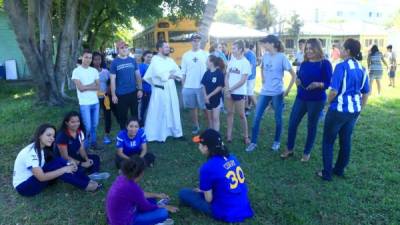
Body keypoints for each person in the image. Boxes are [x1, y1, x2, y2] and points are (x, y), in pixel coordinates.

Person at [317, 38, 370, 181]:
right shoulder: (362, 68)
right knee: (345, 141)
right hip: (353, 111)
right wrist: (360, 110)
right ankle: (339, 170)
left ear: (347, 51)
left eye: (342, 47)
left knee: (328, 141)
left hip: (338, 111)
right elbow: (366, 92)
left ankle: (327, 173)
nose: (339, 49)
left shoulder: (341, 67)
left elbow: (333, 92)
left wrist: (326, 104)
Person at [179, 129, 253, 223]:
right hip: (243, 205)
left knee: (183, 193)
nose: (198, 146)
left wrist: (203, 192)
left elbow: (208, 199)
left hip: (225, 211)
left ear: (206, 147)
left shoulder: (207, 168)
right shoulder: (232, 157)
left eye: (199, 144)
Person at [280, 39, 333, 162]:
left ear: (318, 49)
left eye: (311, 48)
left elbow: (328, 82)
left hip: (316, 100)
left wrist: (318, 84)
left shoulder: (325, 63)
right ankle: (289, 148)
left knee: (311, 126)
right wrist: (298, 81)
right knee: (292, 123)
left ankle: (307, 152)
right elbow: (299, 75)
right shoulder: (304, 63)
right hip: (301, 97)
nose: (308, 51)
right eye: (307, 49)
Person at [13, 124, 100, 197]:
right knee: (57, 165)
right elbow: (41, 177)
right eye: (48, 135)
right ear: (39, 135)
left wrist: (69, 163)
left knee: (58, 161)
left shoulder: (41, 149)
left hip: (32, 181)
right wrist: (65, 169)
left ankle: (87, 180)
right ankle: (86, 185)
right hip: (25, 187)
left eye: (53, 136)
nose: (52, 138)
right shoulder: (31, 152)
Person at [246, 35, 296, 152]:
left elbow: (293, 75)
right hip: (264, 92)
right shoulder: (265, 56)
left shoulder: (282, 57)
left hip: (277, 93)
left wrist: (287, 90)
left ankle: (276, 141)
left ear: (272, 44)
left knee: (278, 118)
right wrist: (263, 78)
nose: (263, 45)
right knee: (257, 117)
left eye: (265, 43)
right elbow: (262, 68)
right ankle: (253, 142)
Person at [106, 156, 179, 225]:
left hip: (120, 214)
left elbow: (140, 194)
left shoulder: (122, 178)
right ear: (141, 173)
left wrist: (157, 195)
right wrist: (165, 207)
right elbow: (146, 207)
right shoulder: (131, 187)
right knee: (163, 213)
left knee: (151, 198)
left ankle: (151, 213)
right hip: (125, 221)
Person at [143, 40, 184, 142]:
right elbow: (160, 74)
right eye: (166, 47)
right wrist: (170, 74)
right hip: (160, 91)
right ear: (160, 49)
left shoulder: (170, 60)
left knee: (173, 110)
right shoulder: (155, 60)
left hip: (171, 89)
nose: (168, 49)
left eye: (168, 47)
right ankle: (158, 135)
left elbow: (178, 71)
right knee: (159, 113)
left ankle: (176, 133)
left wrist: (174, 75)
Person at [55, 111, 110, 180]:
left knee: (95, 158)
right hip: (65, 161)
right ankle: (83, 173)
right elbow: (65, 157)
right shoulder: (62, 136)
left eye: (78, 121)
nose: (76, 124)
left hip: (74, 156)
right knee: (76, 168)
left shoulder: (80, 132)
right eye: (72, 122)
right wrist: (82, 163)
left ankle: (94, 174)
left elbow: (81, 149)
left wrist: (87, 159)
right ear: (66, 123)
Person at [110, 40, 143, 130]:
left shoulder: (132, 61)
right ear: (118, 50)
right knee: (122, 118)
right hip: (121, 95)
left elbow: (138, 75)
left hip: (133, 93)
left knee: (135, 116)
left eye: (125, 47)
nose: (124, 49)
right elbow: (112, 80)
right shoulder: (114, 62)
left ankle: (136, 135)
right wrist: (113, 95)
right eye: (122, 48)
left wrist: (140, 89)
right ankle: (124, 136)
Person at [72, 49, 100, 150]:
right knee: (87, 126)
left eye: (90, 58)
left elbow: (98, 87)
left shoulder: (94, 71)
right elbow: (80, 88)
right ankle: (85, 146)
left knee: (95, 125)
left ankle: (93, 142)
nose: (88, 60)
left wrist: (86, 86)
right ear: (82, 57)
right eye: (86, 57)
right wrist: (91, 85)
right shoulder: (76, 71)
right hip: (84, 104)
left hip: (95, 102)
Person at [181, 33, 209, 134]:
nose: (196, 42)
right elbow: (183, 73)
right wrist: (183, 87)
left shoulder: (206, 54)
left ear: (200, 42)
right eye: (194, 40)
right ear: (191, 42)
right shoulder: (186, 55)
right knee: (192, 108)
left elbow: (210, 70)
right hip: (189, 86)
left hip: (202, 87)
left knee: (205, 108)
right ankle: (196, 126)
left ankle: (209, 127)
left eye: (198, 40)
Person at [225, 40, 251, 144]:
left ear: (240, 49)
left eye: (234, 48)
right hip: (229, 91)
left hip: (239, 92)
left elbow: (243, 80)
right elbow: (227, 76)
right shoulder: (231, 60)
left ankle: (246, 136)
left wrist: (230, 89)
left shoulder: (245, 62)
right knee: (229, 113)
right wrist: (227, 88)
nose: (232, 50)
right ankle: (229, 136)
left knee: (241, 115)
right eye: (232, 48)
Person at [91, 51, 115, 145]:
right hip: (93, 98)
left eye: (99, 59)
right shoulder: (89, 71)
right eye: (95, 59)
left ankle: (106, 135)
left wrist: (108, 91)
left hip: (105, 97)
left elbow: (110, 83)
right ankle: (92, 137)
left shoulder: (105, 71)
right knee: (94, 118)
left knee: (107, 116)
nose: (97, 61)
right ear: (92, 60)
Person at [201, 55, 225, 131]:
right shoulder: (207, 73)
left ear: (211, 62)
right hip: (207, 100)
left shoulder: (219, 73)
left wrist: (208, 96)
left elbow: (220, 87)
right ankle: (211, 134)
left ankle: (216, 135)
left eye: (207, 60)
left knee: (215, 118)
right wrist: (205, 96)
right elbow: (203, 85)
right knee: (210, 118)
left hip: (216, 99)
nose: (205, 62)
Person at [138, 50, 153, 126]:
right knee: (144, 107)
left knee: (153, 107)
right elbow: (139, 79)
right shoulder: (141, 66)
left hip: (154, 91)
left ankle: (151, 123)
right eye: (148, 57)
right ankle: (141, 124)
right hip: (145, 91)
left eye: (151, 57)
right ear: (144, 57)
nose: (150, 58)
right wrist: (149, 78)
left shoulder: (153, 65)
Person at [244, 41, 258, 116]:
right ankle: (246, 109)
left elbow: (251, 67)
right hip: (246, 78)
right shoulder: (245, 54)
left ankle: (259, 110)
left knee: (250, 93)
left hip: (250, 78)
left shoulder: (251, 54)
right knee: (245, 93)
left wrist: (245, 77)